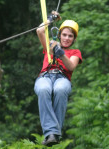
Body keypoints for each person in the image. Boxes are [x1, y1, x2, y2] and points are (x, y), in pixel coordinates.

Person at [34, 11, 82, 146]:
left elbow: (71, 66)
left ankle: (53, 133)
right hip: (45, 76)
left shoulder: (75, 52)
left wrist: (60, 53)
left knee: (60, 89)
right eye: (64, 35)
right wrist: (51, 19)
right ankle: (51, 133)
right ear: (59, 35)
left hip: (62, 78)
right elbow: (40, 31)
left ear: (74, 39)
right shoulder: (51, 46)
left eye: (70, 36)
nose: (67, 38)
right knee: (43, 89)